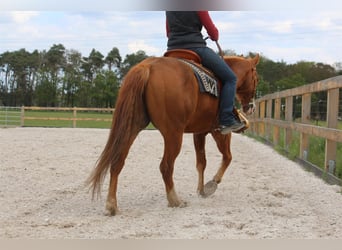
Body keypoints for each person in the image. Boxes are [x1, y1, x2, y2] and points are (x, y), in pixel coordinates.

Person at [165, 11, 244, 134]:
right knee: (230, 78)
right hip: (195, 47)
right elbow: (212, 32)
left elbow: (168, 32)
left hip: (172, 49)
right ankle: (226, 119)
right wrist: (215, 36)